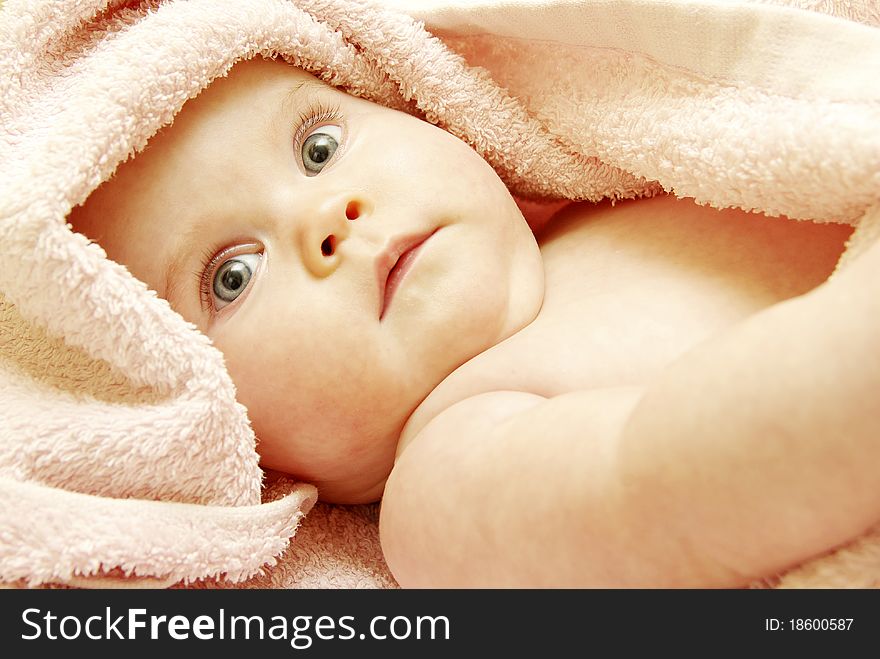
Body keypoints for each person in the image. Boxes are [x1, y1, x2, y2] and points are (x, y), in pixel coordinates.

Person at [69, 55, 879, 588]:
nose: (327, 215)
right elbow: (692, 483)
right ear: (208, 423)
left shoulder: (613, 186)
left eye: (318, 147)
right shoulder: (448, 473)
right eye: (232, 275)